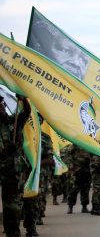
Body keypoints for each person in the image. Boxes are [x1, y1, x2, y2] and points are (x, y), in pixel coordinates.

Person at [0, 94, 31, 237]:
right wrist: (7, 150)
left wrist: (23, 99)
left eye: (1, 105)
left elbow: (26, 113)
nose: (1, 108)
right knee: (9, 206)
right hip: (4, 172)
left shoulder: (14, 121)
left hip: (16, 171)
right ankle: (11, 231)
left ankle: (13, 231)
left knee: (14, 205)